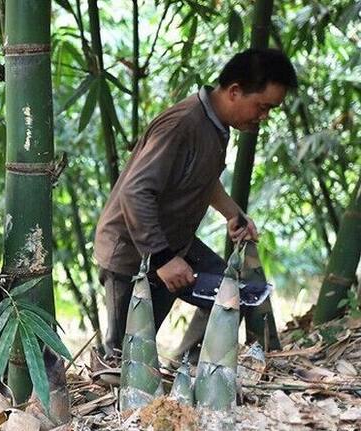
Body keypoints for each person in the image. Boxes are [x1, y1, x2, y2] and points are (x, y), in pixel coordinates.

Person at [92, 48, 298, 379]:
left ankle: (183, 369)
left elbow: (202, 176)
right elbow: (136, 191)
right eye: (262, 107)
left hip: (174, 245)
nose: (264, 117)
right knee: (121, 363)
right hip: (133, 252)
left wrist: (233, 213)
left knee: (233, 294)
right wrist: (162, 259)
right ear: (234, 91)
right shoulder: (182, 124)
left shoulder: (216, 125)